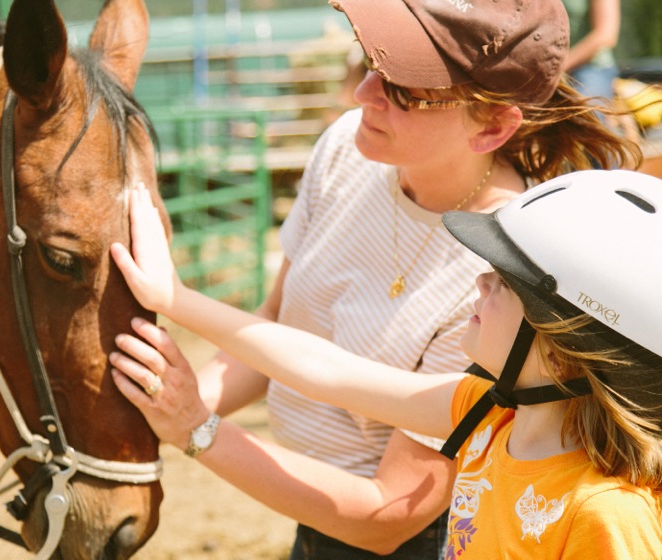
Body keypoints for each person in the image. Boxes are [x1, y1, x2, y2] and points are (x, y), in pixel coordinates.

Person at [121, 0, 641, 557]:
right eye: (371, 64)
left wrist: (195, 426)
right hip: (304, 509)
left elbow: (387, 512)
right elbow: (287, 331)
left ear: (492, 126)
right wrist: (153, 412)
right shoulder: (349, 146)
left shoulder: (506, 280)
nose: (362, 95)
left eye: (405, 92)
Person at [109, 169, 662, 558]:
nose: (478, 282)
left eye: (503, 283)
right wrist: (173, 298)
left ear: (564, 355)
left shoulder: (606, 514)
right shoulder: (488, 414)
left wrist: (195, 425)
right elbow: (327, 371)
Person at [563, 0, 621, 102]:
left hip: (591, 67)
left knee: (584, 107)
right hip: (547, 69)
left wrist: (560, 66)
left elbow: (605, 35)